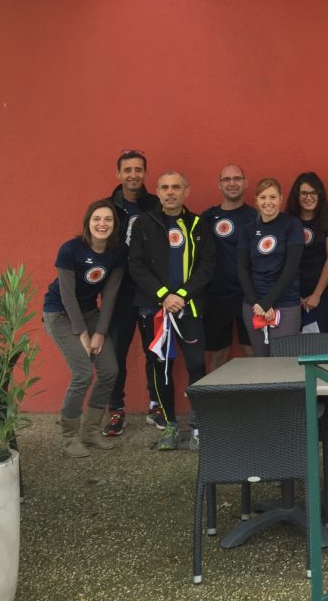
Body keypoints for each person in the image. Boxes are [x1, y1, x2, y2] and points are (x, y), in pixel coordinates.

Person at [129, 171, 216, 451]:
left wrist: (181, 295)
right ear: (157, 191)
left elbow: (207, 266)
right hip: (155, 310)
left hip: (188, 308)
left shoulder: (198, 224)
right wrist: (163, 295)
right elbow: (136, 265)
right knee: (161, 368)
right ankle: (169, 424)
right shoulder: (144, 223)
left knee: (195, 365)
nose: (170, 192)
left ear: (186, 191)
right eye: (165, 187)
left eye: (176, 187)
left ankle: (199, 423)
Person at [43, 199, 126, 457]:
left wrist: (100, 331)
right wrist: (82, 333)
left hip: (90, 312)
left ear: (115, 225)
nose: (102, 224)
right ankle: (69, 437)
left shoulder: (117, 252)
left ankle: (90, 432)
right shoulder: (70, 250)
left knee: (110, 370)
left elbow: (110, 295)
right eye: (96, 219)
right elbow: (67, 296)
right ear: (88, 222)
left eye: (108, 219)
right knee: (82, 374)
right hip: (59, 313)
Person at [102, 149, 159, 437]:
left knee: (155, 350)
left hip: (149, 289)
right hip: (119, 290)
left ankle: (157, 404)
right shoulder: (106, 208)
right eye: (128, 170)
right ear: (119, 174)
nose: (133, 175)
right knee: (116, 352)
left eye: (138, 170)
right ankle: (116, 410)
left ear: (145, 174)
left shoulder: (155, 204)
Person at [238, 177, 305, 355]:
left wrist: (268, 302)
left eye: (273, 197)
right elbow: (242, 268)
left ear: (281, 199)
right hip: (254, 305)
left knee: (283, 363)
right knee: (262, 362)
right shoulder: (248, 230)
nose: (268, 202)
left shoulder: (292, 225)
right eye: (263, 197)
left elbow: (291, 268)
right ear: (256, 200)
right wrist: (256, 303)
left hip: (285, 303)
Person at [201, 164, 257, 372]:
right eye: (226, 179)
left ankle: (259, 399)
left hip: (249, 295)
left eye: (237, 178)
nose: (232, 183)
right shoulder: (207, 218)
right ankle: (215, 402)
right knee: (218, 352)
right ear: (219, 185)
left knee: (252, 349)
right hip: (217, 295)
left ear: (245, 183)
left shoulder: (256, 217)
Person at [288, 171, 328, 333]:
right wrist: (292, 294)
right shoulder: (288, 221)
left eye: (313, 193)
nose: (308, 197)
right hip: (291, 293)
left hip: (320, 293)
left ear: (320, 194)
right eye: (303, 193)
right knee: (291, 347)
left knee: (318, 347)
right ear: (296, 196)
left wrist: (317, 294)